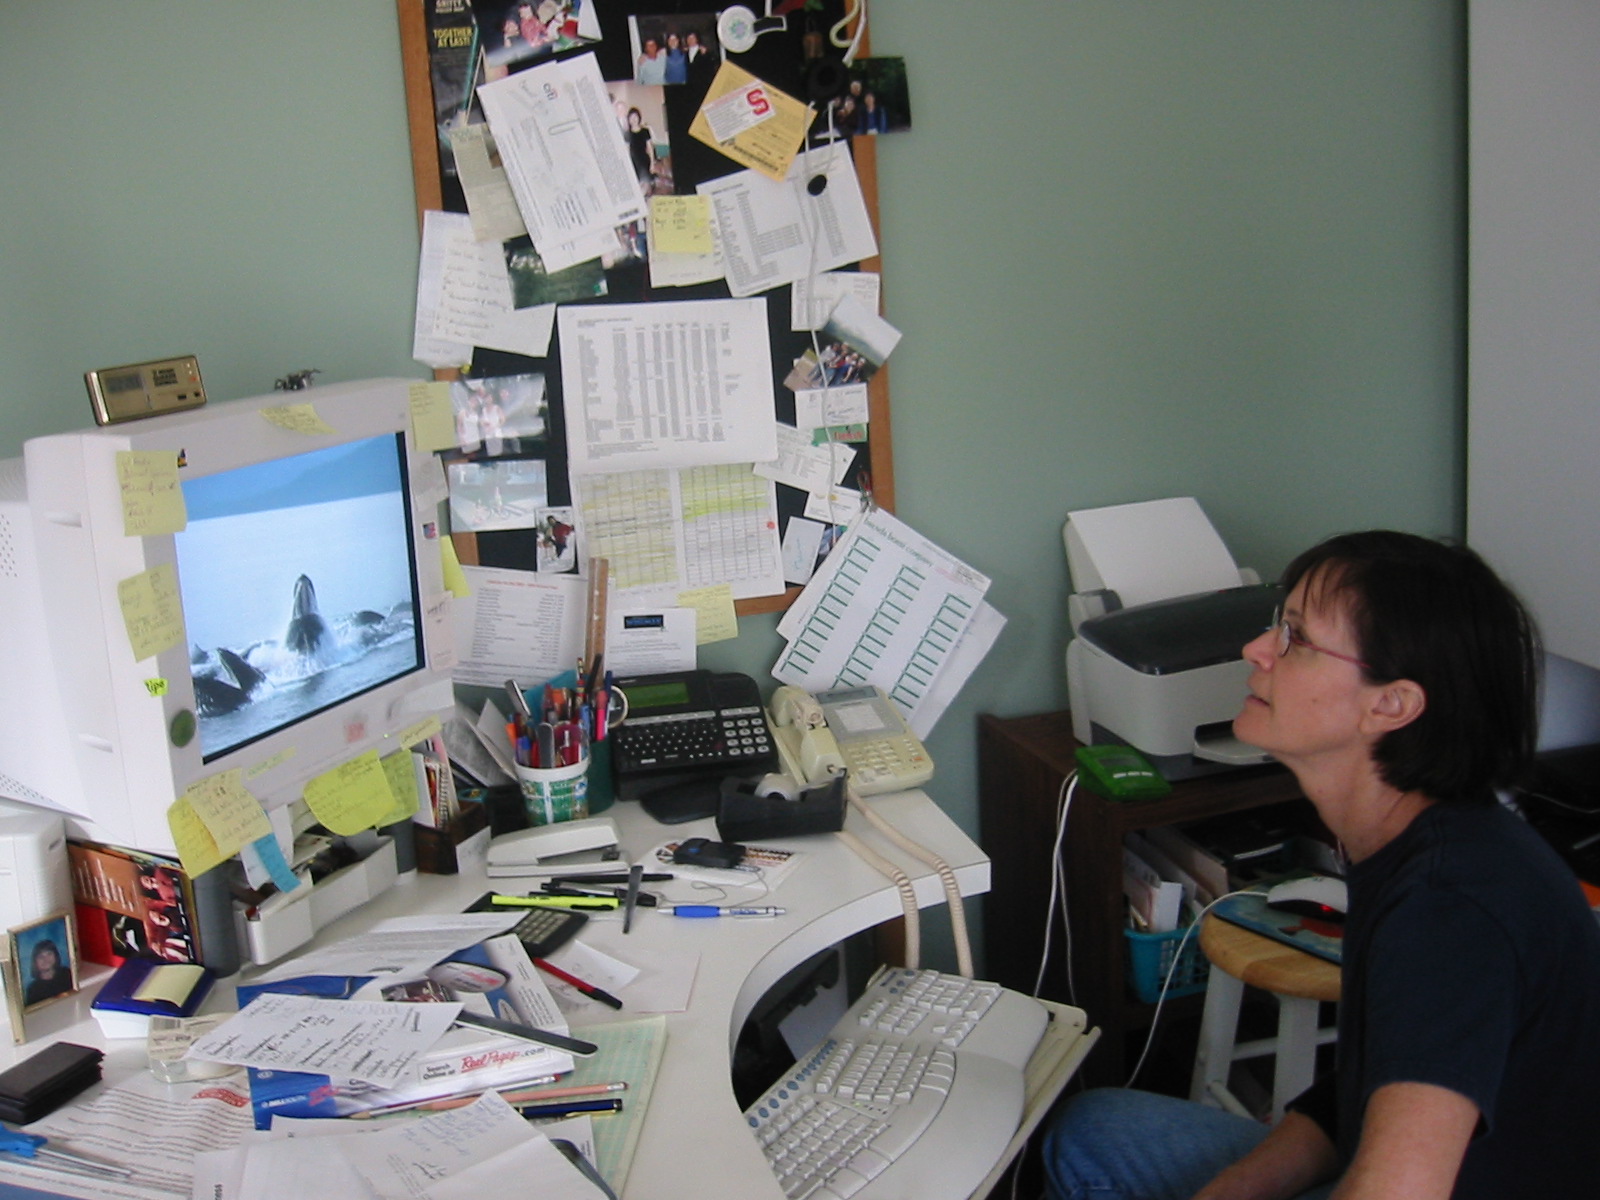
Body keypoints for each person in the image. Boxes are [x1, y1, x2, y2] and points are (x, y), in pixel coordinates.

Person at [1043, 531, 1600, 1200]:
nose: (1256, 650)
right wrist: (1236, 1188)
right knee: (1093, 1129)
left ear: (1390, 704)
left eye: (1296, 639)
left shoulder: (1449, 907)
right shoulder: (1412, 839)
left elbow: (1395, 1191)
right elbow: (1360, 1088)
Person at [24, 938, 72, 1006]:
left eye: (49, 954)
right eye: (41, 956)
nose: (46, 959)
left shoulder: (67, 974)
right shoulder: (33, 989)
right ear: (35, 962)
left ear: (56, 955)